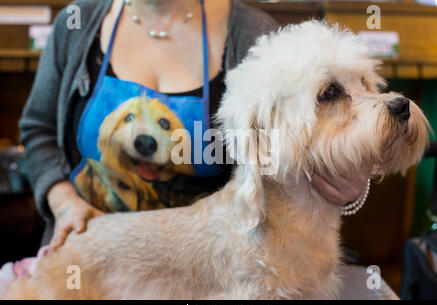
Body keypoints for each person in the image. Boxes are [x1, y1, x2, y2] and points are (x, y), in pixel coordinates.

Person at [18, 0, 370, 256]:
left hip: (216, 269)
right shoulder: (76, 25)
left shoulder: (254, 33)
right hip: (92, 256)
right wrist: (64, 204)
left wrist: (350, 192)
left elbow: (304, 147)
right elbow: (38, 130)